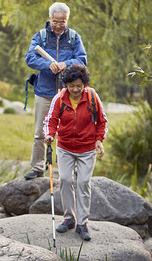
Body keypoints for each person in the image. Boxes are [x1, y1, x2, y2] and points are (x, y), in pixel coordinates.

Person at [43, 64, 108, 241]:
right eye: (72, 86)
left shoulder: (92, 97)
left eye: (79, 85)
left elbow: (102, 121)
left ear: (84, 84)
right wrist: (49, 135)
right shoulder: (60, 98)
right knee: (64, 179)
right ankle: (69, 218)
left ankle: (82, 223)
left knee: (83, 182)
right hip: (65, 147)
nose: (75, 89)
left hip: (87, 148)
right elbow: (51, 120)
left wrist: (99, 140)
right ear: (66, 85)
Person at [24, 2, 88, 180]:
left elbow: (82, 60)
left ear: (67, 20)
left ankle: (67, 170)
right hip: (44, 91)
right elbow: (30, 57)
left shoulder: (74, 37)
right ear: (49, 18)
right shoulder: (41, 37)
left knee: (68, 131)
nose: (59, 25)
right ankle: (38, 167)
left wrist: (65, 64)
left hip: (68, 93)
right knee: (40, 132)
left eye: (62, 22)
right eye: (55, 21)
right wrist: (48, 64)